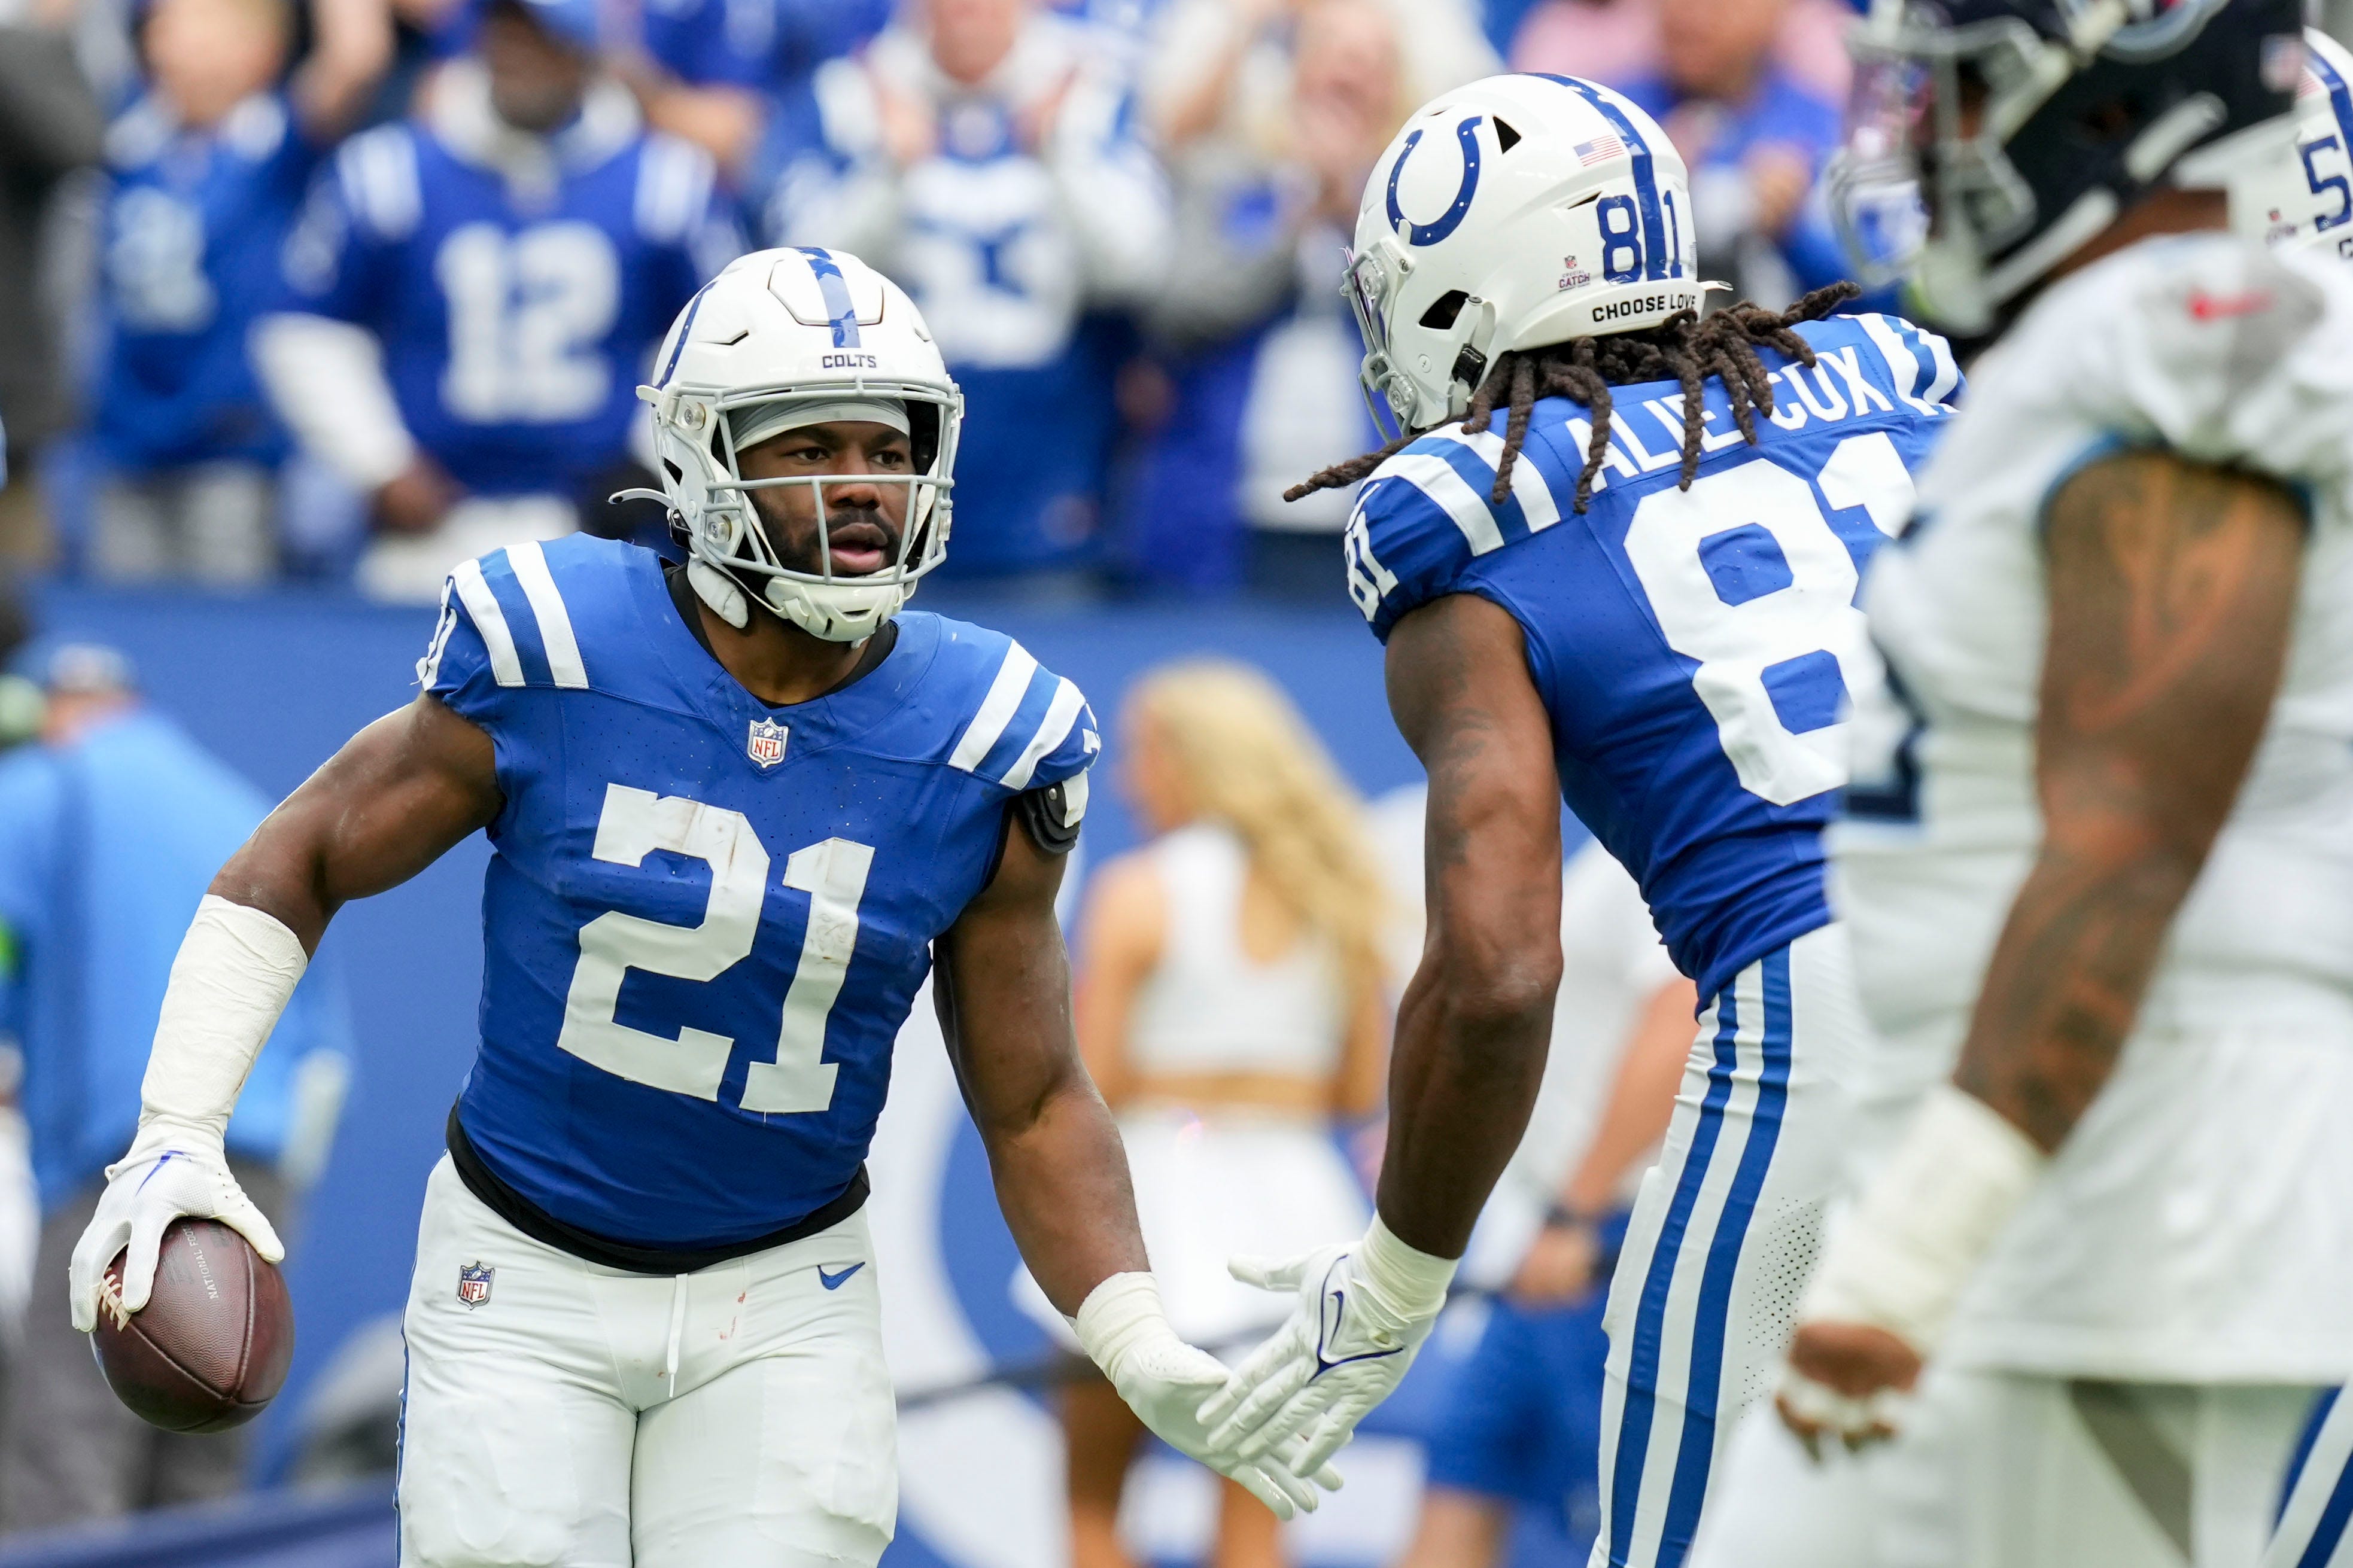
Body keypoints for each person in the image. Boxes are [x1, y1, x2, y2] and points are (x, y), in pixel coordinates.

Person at [69, 247, 1336, 1566]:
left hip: (786, 1288)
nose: (863, 483)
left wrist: (1130, 1333)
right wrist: (177, 1130)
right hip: (524, 1270)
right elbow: (300, 860)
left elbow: (1030, 1095)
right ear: (703, 460)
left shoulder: (986, 734)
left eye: (888, 445)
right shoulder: (558, 644)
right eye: (813, 447)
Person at [1193, 71, 1965, 1568]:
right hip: (2107, 962)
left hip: (1828, 998)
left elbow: (1496, 970)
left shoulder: (1462, 515)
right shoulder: (1882, 368)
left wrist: (1399, 1273)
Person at [1738, 2, 2353, 1566]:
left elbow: (2136, 831)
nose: (1919, 136)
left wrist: (1916, 1244)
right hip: (2052, 1190)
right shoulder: (2088, 353)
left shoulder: (2184, 335)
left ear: (2113, 107)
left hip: (2102, 1215)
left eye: (1957, 92)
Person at [0, 643, 351, 1532]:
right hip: (259, 1176)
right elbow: (323, 1046)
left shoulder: (46, 785)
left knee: (64, 1461)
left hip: (127, 1163)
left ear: (58, 709)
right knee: (200, 1467)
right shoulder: (247, 808)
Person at [1048, 660, 1388, 1568]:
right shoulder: (1340, 896)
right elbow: (1360, 1091)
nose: (1125, 778)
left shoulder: (1137, 892)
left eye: (1139, 752)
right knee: (1255, 1513)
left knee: (1091, 1504)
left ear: (1191, 759)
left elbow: (1090, 1081)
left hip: (1149, 1211)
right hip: (1298, 1220)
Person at [250, 0, 742, 602]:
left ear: (585, 53)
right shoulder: (389, 171)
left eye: (541, 37)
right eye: (505, 33)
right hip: (433, 527)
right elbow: (302, 327)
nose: (518, 55)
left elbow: (724, 337)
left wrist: (647, 459)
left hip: (601, 534)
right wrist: (380, 462)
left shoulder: (667, 183)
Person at [767, 0, 1171, 581]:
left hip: (1050, 489)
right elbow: (794, 275)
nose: (967, 10)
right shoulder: (846, 95)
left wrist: (1059, 152)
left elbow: (1137, 267)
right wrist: (891, 169)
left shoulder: (1090, 92)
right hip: (881, 489)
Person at [1387, 829, 1694, 1568]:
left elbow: (1681, 1012)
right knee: (1462, 1468)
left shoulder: (1654, 854)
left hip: (1612, 1243)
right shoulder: (1607, 848)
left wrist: (1578, 1211)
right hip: (1549, 1236)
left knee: (1623, 1523)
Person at [87, 0, 390, 584]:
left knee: (224, 630)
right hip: (127, 437)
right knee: (124, 625)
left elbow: (356, 58)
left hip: (231, 443)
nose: (179, 47)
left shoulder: (272, 141)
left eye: (204, 33)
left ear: (263, 53)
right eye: (166, 29)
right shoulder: (129, 132)